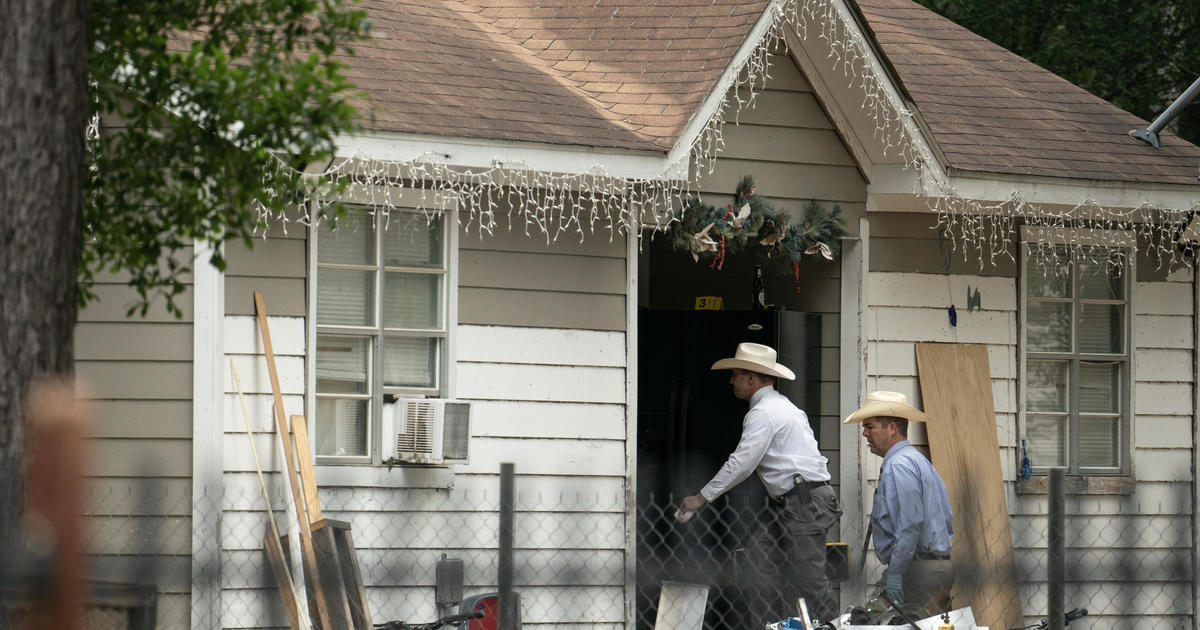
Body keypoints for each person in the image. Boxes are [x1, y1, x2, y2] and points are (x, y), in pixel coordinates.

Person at [677, 342, 841, 624]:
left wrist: (701, 497)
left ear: (751, 379)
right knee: (758, 562)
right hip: (794, 502)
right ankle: (776, 625)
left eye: (735, 375)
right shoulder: (780, 406)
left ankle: (831, 624)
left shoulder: (763, 413)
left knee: (809, 581)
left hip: (803, 502)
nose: (731, 381)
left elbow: (742, 463)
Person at [843, 391, 954, 618]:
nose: (864, 433)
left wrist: (896, 572)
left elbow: (910, 524)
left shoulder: (899, 465)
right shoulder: (917, 460)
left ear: (891, 428)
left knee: (876, 621)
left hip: (915, 570)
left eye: (870, 426)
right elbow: (947, 518)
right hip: (931, 568)